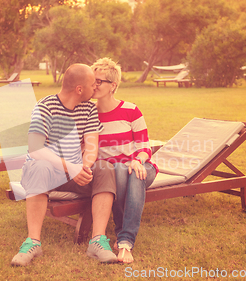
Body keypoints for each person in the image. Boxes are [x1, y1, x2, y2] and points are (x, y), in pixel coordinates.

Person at [11, 64, 117, 266]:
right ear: (79, 89)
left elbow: (92, 146)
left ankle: (98, 241)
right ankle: (33, 242)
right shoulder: (45, 107)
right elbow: (35, 148)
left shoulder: (88, 108)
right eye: (92, 85)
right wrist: (70, 167)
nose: (95, 88)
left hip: (74, 174)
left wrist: (83, 168)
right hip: (45, 173)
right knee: (39, 166)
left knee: (105, 167)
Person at [91, 58, 158, 264]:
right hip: (111, 171)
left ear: (113, 86)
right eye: (91, 81)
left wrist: (138, 160)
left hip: (141, 164)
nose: (93, 86)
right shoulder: (88, 114)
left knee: (134, 172)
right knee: (120, 170)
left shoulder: (130, 110)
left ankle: (124, 240)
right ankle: (124, 242)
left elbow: (145, 146)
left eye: (98, 81)